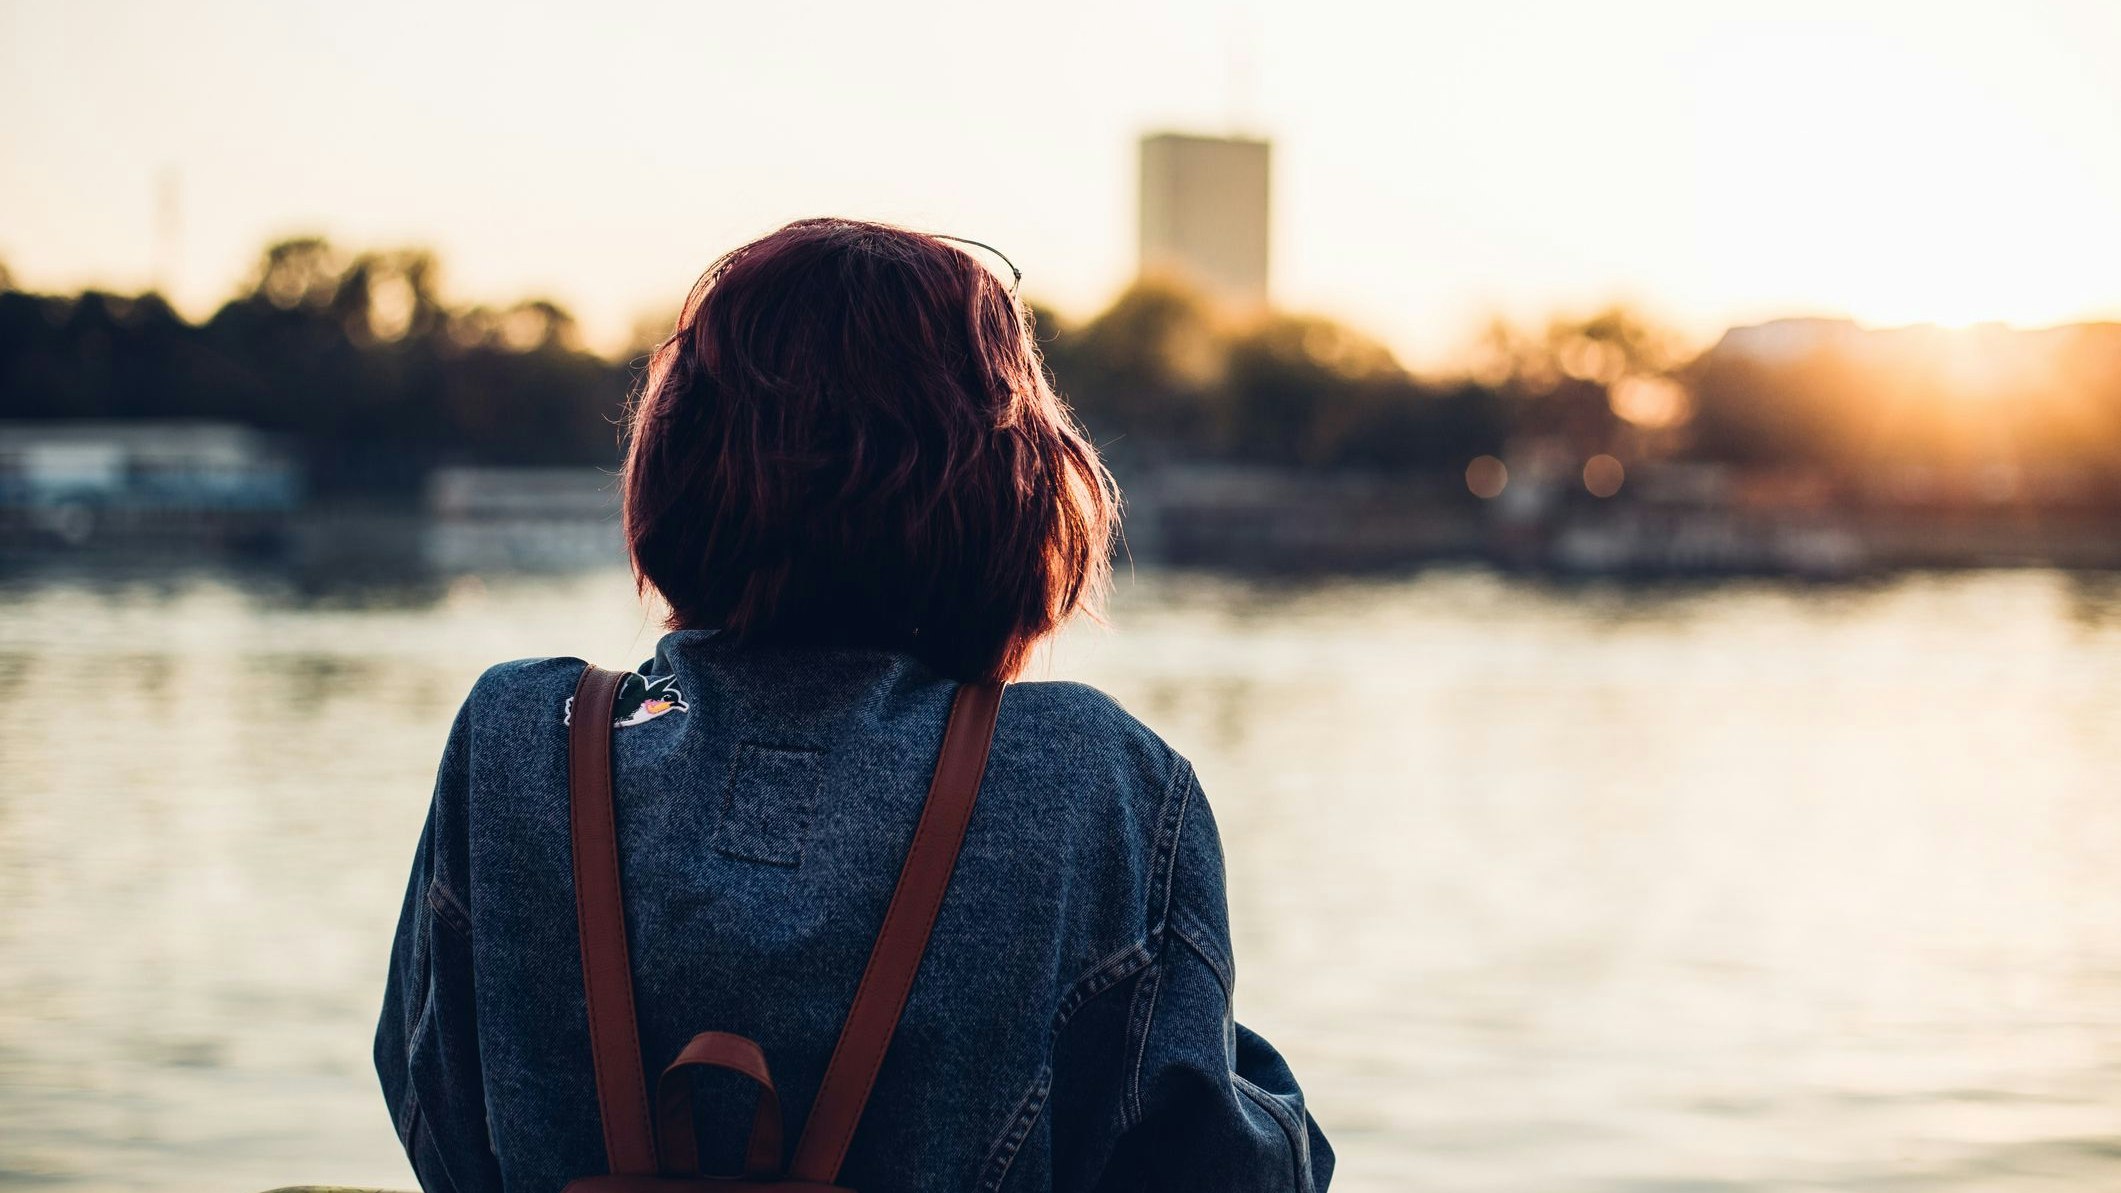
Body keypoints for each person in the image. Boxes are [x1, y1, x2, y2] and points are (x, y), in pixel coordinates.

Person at [375, 217, 1333, 1193]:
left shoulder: (523, 738)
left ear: (680, 456)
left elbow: (438, 1115)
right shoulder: (1091, 776)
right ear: (1008, 485)